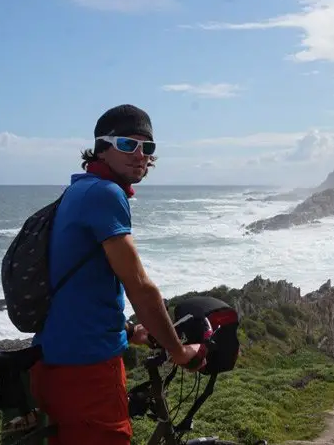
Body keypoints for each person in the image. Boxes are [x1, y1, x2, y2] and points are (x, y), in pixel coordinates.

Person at [29, 104, 206, 445]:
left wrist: (128, 330)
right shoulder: (105, 194)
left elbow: (80, 286)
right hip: (87, 369)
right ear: (102, 147)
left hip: (56, 360)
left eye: (147, 147)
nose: (140, 154)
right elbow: (140, 287)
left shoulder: (79, 189)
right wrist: (179, 352)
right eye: (128, 144)